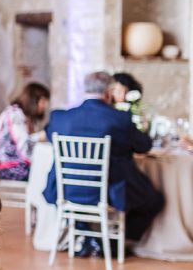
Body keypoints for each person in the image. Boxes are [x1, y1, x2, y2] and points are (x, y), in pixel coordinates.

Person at [42, 71, 164, 251]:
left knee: (84, 196)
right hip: (108, 192)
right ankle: (114, 244)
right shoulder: (119, 120)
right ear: (109, 92)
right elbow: (144, 146)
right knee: (154, 200)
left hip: (66, 189)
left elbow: (49, 135)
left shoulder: (59, 118)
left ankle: (86, 237)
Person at [0, 82, 50, 181]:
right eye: (43, 102)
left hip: (12, 165)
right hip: (7, 168)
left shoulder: (21, 115)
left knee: (45, 172)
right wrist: (41, 136)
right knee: (45, 174)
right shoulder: (15, 115)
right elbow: (23, 147)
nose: (44, 107)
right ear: (34, 100)